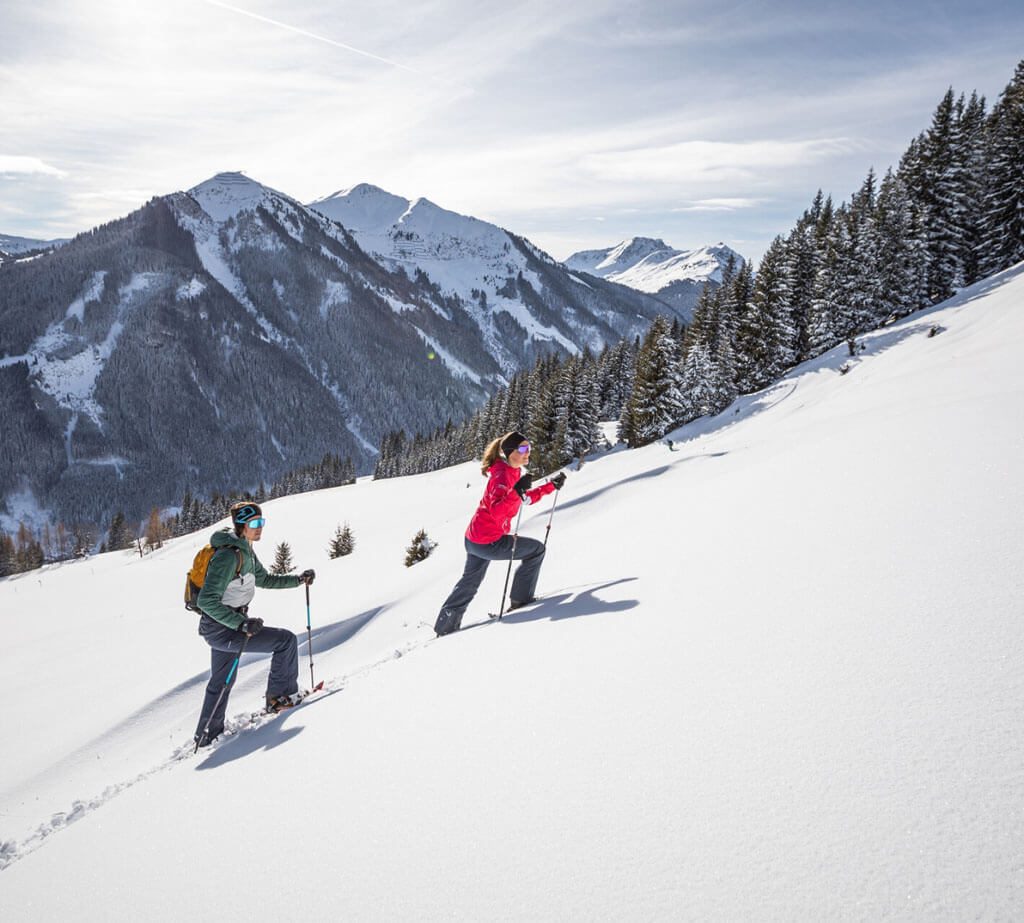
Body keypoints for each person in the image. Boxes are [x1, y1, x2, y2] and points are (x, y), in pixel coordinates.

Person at [193, 501, 315, 748]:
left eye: (262, 522)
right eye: (254, 524)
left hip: (223, 626)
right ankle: (281, 699)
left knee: (222, 681)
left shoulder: (245, 550)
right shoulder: (229, 556)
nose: (260, 528)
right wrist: (241, 624)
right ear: (241, 525)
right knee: (285, 641)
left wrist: (298, 580)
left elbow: (265, 579)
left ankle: (207, 734)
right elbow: (207, 600)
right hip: (222, 627)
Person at [434, 431, 566, 636]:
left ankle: (445, 626)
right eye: (522, 449)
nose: (527, 453)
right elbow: (498, 511)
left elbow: (523, 498)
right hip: (489, 542)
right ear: (509, 452)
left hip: (474, 538)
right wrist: (515, 493)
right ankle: (521, 600)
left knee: (469, 582)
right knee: (536, 550)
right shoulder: (502, 476)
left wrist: (549, 486)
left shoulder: (508, 471)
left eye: (529, 448)